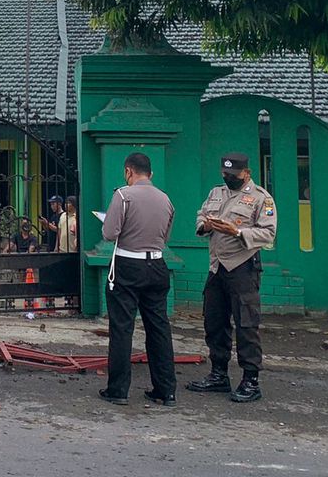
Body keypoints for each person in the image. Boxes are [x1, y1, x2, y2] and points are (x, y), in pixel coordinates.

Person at [186, 152, 277, 403]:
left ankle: (251, 380)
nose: (229, 178)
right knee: (214, 322)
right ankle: (218, 374)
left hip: (242, 267)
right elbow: (201, 216)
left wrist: (236, 231)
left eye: (234, 174)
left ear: (247, 173)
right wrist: (205, 225)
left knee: (246, 324)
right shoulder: (217, 193)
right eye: (225, 174)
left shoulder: (261, 198)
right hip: (217, 267)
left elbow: (268, 234)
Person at [98, 153, 177, 407]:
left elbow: (110, 233)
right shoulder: (165, 199)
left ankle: (118, 390)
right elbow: (165, 238)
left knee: (122, 328)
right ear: (150, 174)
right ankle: (166, 390)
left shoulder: (123, 196)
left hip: (127, 265)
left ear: (128, 171)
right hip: (157, 265)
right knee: (159, 328)